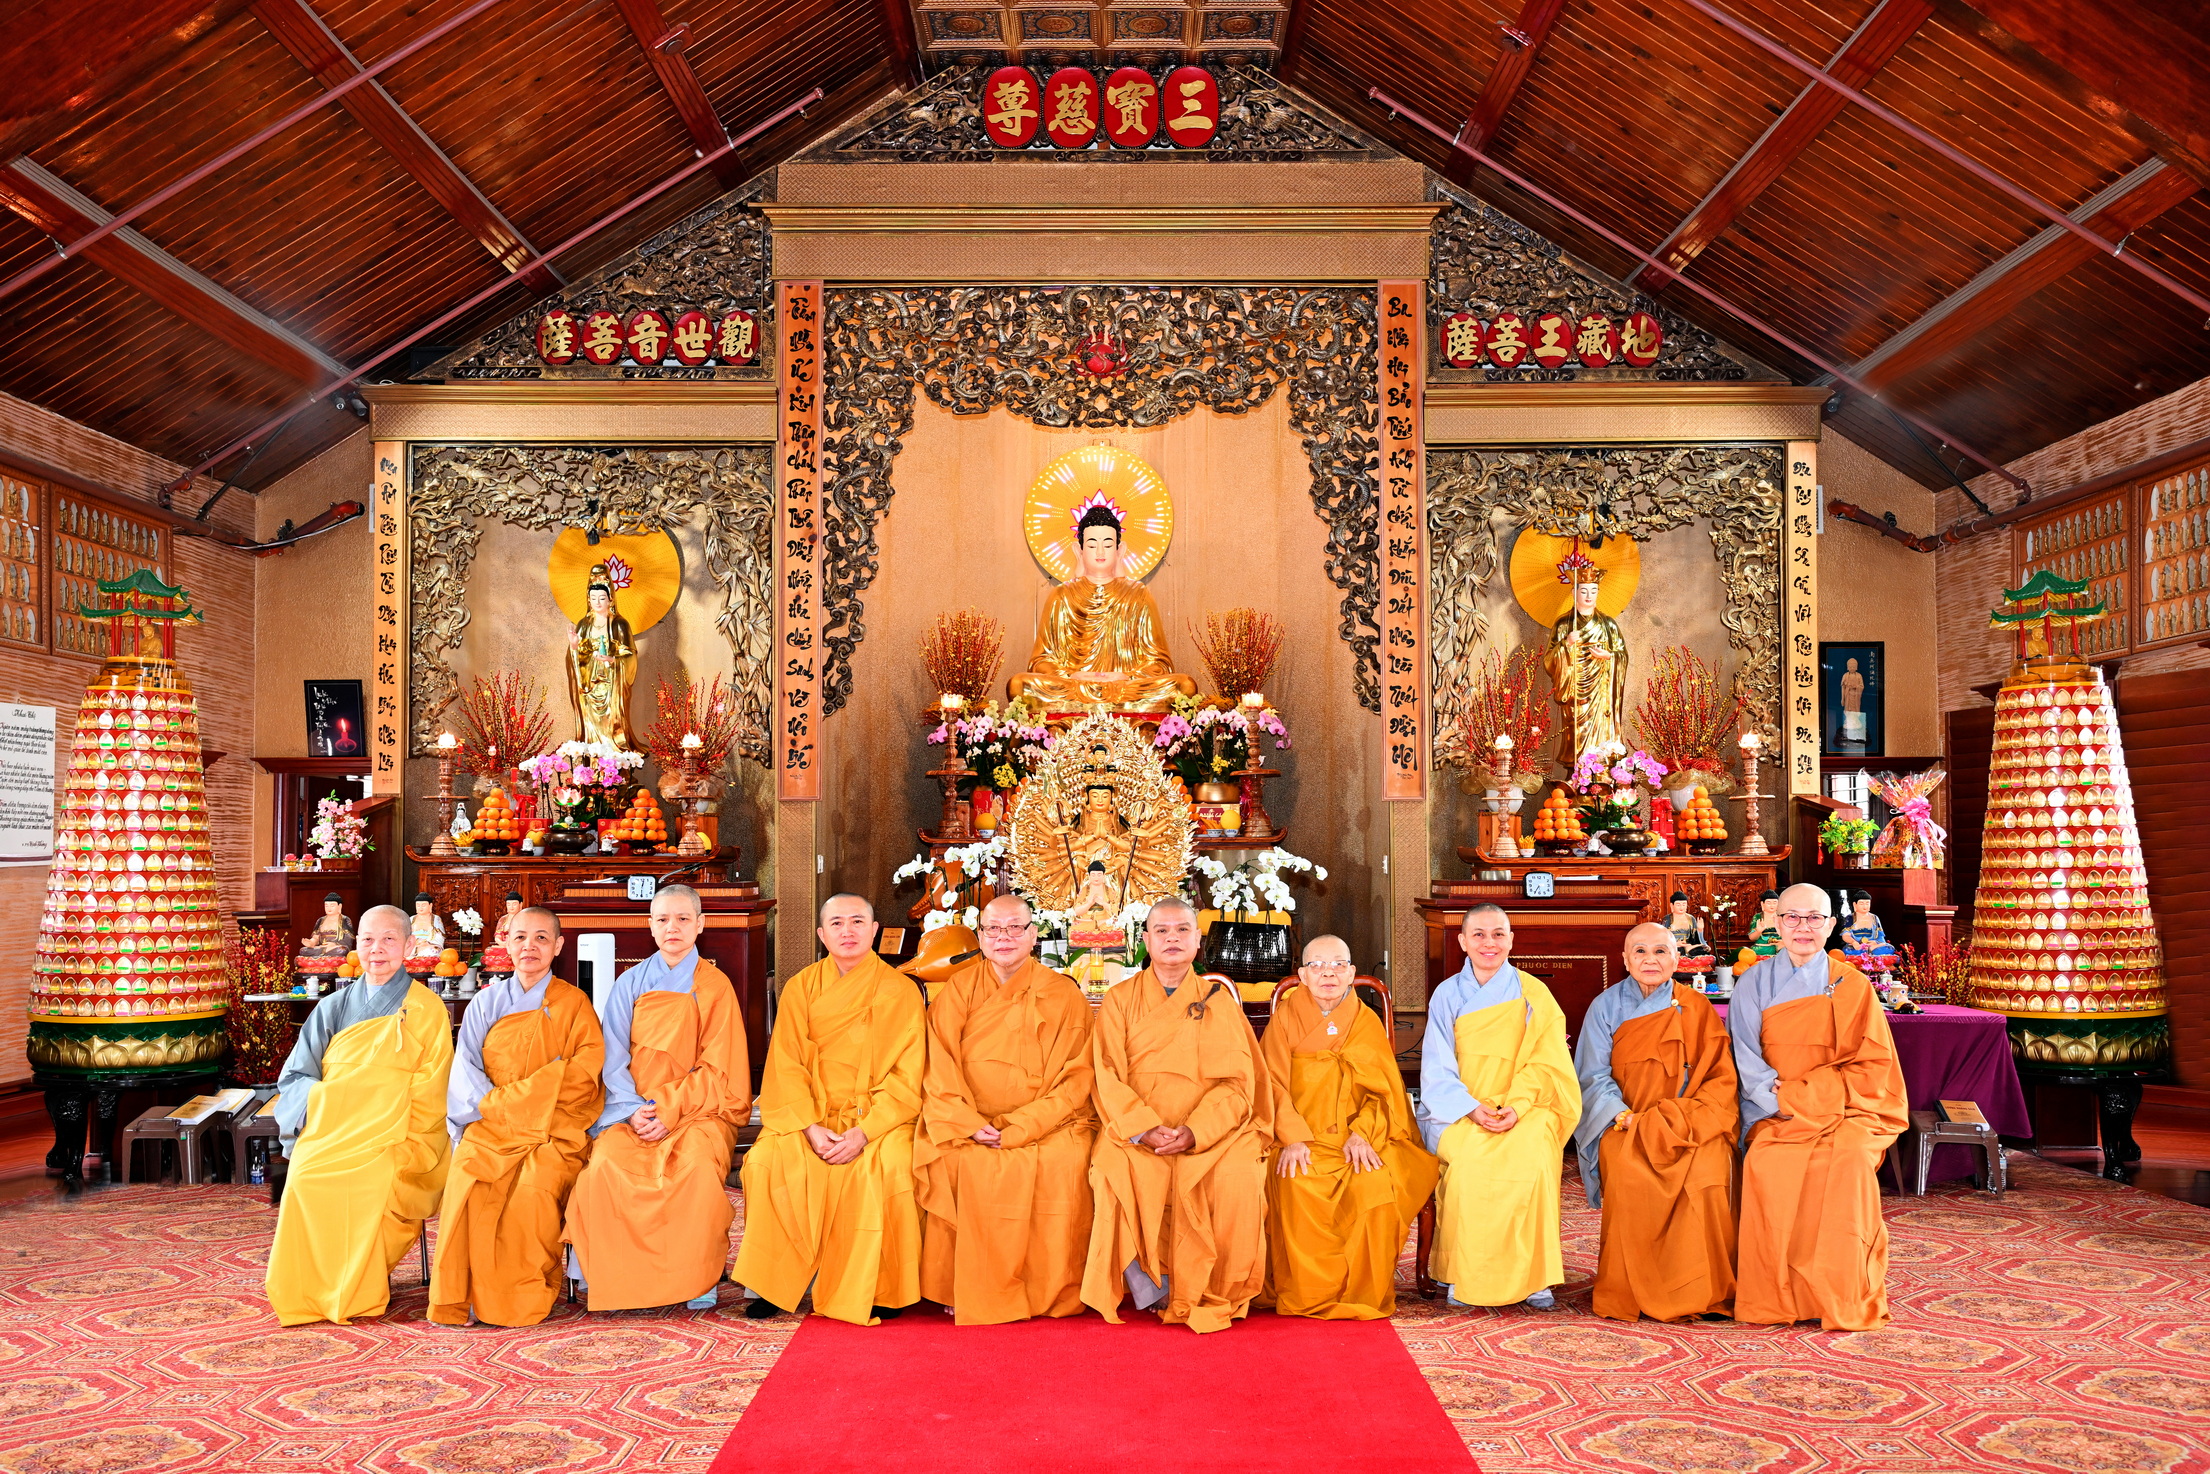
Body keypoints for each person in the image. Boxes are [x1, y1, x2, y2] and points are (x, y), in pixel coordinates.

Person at [1082, 897, 1272, 1333]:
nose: (1172, 939)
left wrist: (1196, 1131)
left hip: (1208, 1131)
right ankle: (1153, 1285)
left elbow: (1238, 1083)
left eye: (1182, 930)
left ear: (1198, 940)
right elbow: (1105, 1074)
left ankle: (1208, 1283)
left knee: (1238, 1176)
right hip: (1139, 1129)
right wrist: (1143, 1128)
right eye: (1162, 931)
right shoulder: (1119, 999)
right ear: (1145, 940)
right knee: (1111, 1170)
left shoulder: (1219, 1002)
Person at [735, 894, 925, 1325]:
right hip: (811, 1117)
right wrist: (809, 1126)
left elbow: (908, 1075)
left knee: (894, 1164)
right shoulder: (801, 987)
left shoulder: (900, 991)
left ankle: (881, 1286)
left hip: (878, 1119)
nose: (847, 931)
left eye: (857, 921)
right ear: (822, 934)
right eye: (837, 923)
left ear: (874, 930)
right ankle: (773, 1284)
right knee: (767, 1161)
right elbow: (785, 1064)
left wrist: (865, 1132)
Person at [1730, 883, 1908, 1331]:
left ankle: (1841, 1293)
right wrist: (1780, 1100)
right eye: (1792, 917)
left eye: (1814, 918)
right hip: (1776, 1110)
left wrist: (1812, 1096)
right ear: (1777, 922)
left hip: (1846, 1108)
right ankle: (1776, 1297)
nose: (1803, 927)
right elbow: (1745, 1057)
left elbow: (1873, 1062)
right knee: (1767, 1161)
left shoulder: (1853, 985)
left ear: (1831, 925)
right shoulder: (1753, 981)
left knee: (1849, 1159)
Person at [564, 884, 751, 1312]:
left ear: (700, 925)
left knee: (696, 1169)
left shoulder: (715, 986)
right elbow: (612, 1058)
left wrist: (669, 1108)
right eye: (663, 919)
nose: (673, 928)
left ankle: (696, 1278)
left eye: (683, 919)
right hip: (632, 1111)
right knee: (604, 1167)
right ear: (650, 926)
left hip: (700, 1112)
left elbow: (720, 1068)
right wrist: (634, 1111)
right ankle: (611, 1272)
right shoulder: (629, 983)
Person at [264, 905, 453, 1326]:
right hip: (332, 1131)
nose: (376, 949)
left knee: (378, 1182)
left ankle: (357, 1284)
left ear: (408, 946)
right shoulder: (333, 1007)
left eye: (388, 939)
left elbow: (432, 1091)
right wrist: (334, 1104)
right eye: (367, 940)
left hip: (396, 1137)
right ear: (355, 945)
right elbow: (296, 1076)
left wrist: (391, 1125)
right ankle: (311, 1289)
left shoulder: (427, 1009)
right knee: (304, 1177)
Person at [914, 894, 1097, 1325]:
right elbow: (937, 1064)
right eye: (994, 929)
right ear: (980, 937)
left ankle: (1043, 1285)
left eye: (1016, 927)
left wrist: (1024, 1126)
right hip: (969, 1121)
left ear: (1034, 936)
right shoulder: (958, 990)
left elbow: (1077, 1078)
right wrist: (967, 1122)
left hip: (1048, 1124)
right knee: (955, 1160)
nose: (1004, 937)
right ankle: (965, 1284)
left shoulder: (1064, 994)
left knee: (1065, 1161)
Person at [430, 907, 604, 1327]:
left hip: (553, 1130)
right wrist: (505, 1107)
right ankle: (467, 1296)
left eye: (542, 938)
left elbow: (585, 1074)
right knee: (468, 1182)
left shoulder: (575, 1004)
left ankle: (516, 1298)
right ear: (506, 943)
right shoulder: (485, 1002)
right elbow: (466, 1070)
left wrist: (517, 1102)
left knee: (532, 1194)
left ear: (558, 947)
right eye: (521, 937)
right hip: (492, 1126)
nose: (530, 946)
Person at [1262, 936, 1435, 1320]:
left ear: (1352, 973)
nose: (1329, 973)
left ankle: (1361, 1293)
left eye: (1338, 965)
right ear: (1302, 975)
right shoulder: (1286, 1018)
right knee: (1295, 1182)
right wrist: (1292, 1137)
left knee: (1374, 1185)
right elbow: (1269, 1083)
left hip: (1356, 1137)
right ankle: (1306, 1293)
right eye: (1318, 966)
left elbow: (1384, 1090)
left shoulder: (1365, 1020)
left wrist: (1364, 1134)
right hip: (1299, 1136)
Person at [1573, 923, 1739, 1323]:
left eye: (1661, 951)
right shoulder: (1605, 1007)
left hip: (1688, 1122)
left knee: (1711, 1167)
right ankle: (1632, 1289)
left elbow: (1719, 1076)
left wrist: (1684, 1118)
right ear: (1625, 959)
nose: (1651, 960)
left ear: (1677, 959)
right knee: (1628, 1169)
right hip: (1626, 1123)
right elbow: (1591, 1076)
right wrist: (1624, 1115)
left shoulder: (1696, 1008)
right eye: (1641, 951)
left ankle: (1704, 1292)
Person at [1418, 904, 1579, 1309]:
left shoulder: (1533, 993)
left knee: (1533, 1157)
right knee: (1470, 1165)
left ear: (1511, 940)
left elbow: (1546, 1062)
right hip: (1461, 1109)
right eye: (1479, 935)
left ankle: (1533, 1276)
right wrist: (1471, 1108)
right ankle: (1464, 1272)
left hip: (1525, 1105)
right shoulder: (1447, 994)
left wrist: (1517, 1107)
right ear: (1462, 942)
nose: (1488, 943)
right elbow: (1437, 1065)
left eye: (1498, 934)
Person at [1008, 505, 1198, 711]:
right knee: (1018, 685)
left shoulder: (1138, 594)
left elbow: (1159, 664)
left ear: (1120, 550)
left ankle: (1086, 711)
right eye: (1092, 545)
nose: (1100, 552)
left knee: (1184, 686)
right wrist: (1072, 675)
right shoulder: (1061, 595)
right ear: (1079, 550)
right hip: (1075, 685)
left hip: (1124, 686)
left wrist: (1126, 676)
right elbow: (1041, 661)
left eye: (1107, 545)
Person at [1735, 889, 1782, 971]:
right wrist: (1759, 931)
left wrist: (1779, 928)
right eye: (1768, 903)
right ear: (1762, 904)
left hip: (1778, 948)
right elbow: (1751, 938)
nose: (1772, 905)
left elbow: (1788, 935)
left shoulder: (1782, 917)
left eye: (1775, 902)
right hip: (1761, 948)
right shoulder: (1758, 917)